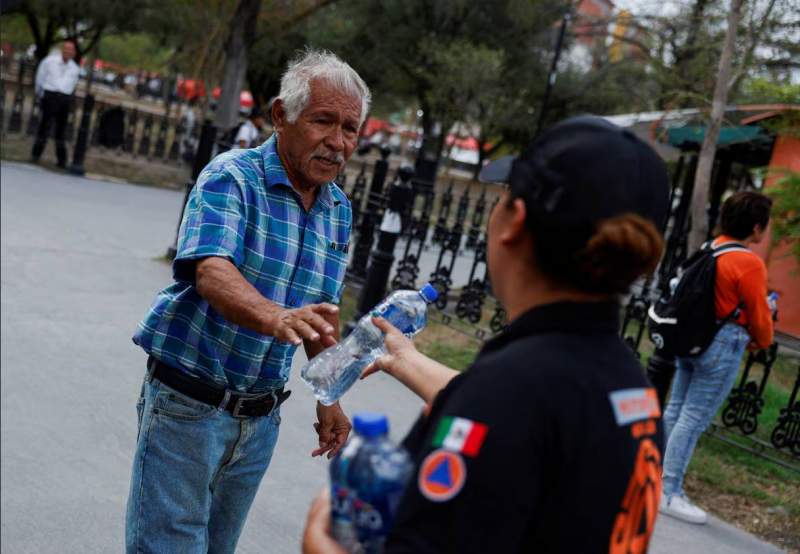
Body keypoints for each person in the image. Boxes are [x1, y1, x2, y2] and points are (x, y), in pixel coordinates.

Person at [303, 115, 670, 553]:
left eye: (503, 196)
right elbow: (535, 423)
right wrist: (407, 360)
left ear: (515, 220)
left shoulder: (511, 392)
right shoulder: (632, 388)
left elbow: (507, 413)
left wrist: (320, 543)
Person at [125, 48, 371, 553]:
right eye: (324, 121)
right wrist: (274, 316)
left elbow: (321, 313)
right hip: (188, 406)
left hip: (259, 420)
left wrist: (331, 398)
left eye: (350, 129)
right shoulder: (231, 176)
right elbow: (210, 270)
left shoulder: (337, 209)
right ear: (281, 115)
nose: (338, 142)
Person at [659, 191, 774, 525]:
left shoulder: (712, 247)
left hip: (691, 337)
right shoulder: (749, 262)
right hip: (723, 343)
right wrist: (761, 340)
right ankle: (669, 491)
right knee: (693, 416)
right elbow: (759, 315)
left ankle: (653, 476)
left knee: (676, 409)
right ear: (755, 227)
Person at [31, 40, 80, 168]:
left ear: (74, 52)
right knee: (44, 126)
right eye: (66, 49)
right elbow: (40, 77)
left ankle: (61, 160)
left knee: (61, 130)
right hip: (50, 95)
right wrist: (41, 94)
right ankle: (36, 155)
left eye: (71, 50)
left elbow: (73, 85)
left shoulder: (75, 68)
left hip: (64, 98)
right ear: (62, 49)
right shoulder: (49, 61)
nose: (68, 52)